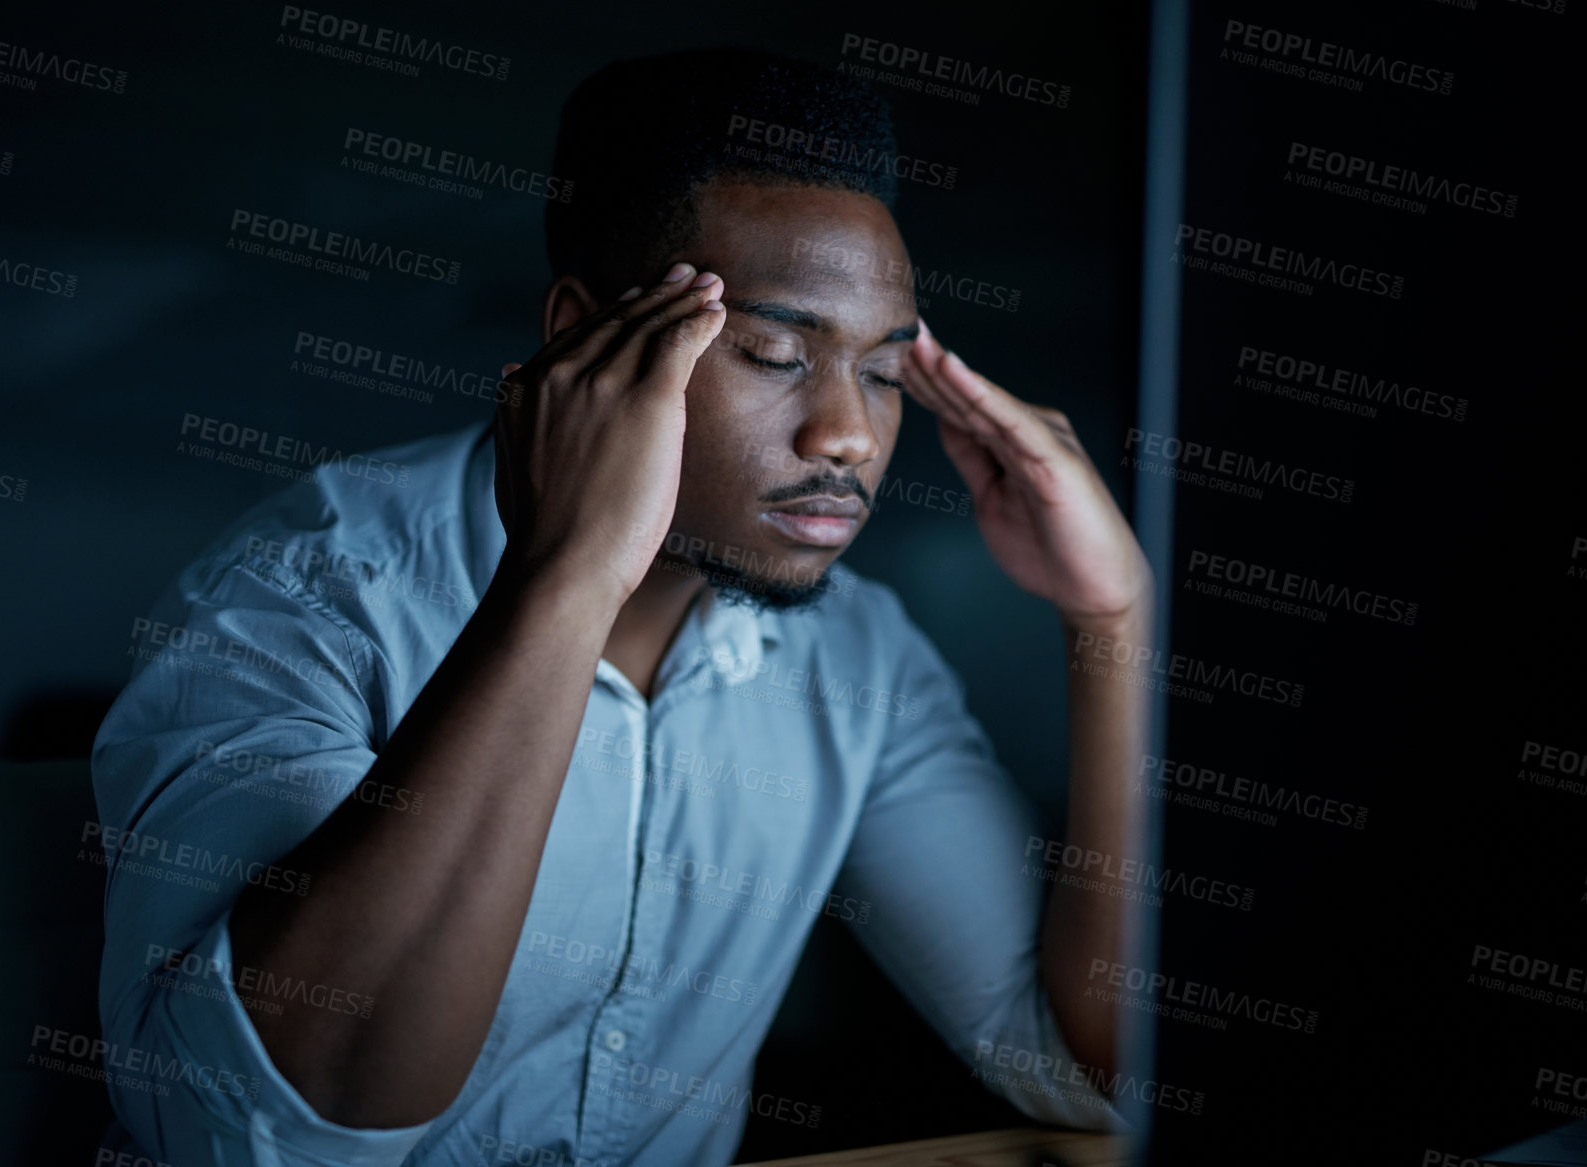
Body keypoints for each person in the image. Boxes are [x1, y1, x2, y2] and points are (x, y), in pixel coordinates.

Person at [91, 47, 1154, 1167]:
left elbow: (1089, 1075)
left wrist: (1113, 624)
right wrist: (570, 573)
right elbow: (273, 1131)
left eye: (884, 374)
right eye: (775, 352)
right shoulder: (302, 600)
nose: (846, 433)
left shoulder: (860, 661)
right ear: (579, 337)